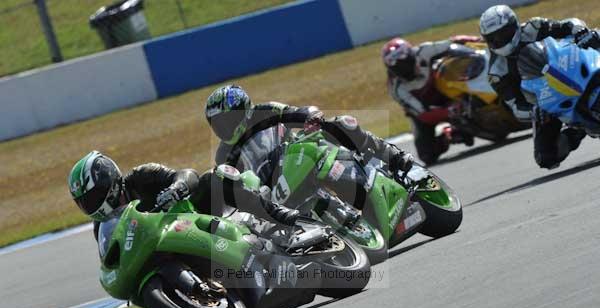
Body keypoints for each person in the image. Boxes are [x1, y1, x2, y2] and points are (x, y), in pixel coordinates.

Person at [204, 84, 414, 194]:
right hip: (275, 186)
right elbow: (235, 185)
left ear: (244, 109)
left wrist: (311, 117)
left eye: (227, 119)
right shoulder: (224, 154)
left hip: (301, 153)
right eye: (217, 123)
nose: (224, 127)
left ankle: (392, 155)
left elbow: (297, 112)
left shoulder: (264, 111)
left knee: (342, 124)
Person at [67, 151, 302, 240]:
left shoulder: (140, 176)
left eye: (93, 195)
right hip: (169, 243)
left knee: (215, 177)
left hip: (198, 217)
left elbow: (187, 175)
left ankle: (279, 214)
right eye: (84, 202)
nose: (91, 204)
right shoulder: (102, 228)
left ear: (108, 181)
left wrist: (176, 188)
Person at [480, 5, 598, 169]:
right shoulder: (496, 72)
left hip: (570, 66)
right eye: (492, 39)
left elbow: (567, 25)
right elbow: (516, 107)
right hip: (548, 100)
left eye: (502, 34)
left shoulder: (533, 27)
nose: (498, 41)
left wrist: (579, 30)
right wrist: (535, 108)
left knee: (594, 36)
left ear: (514, 26)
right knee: (546, 157)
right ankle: (577, 131)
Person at [381, 35, 482, 164]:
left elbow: (452, 42)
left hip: (445, 88)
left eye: (405, 63)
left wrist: (476, 40)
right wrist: (448, 111)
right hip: (426, 109)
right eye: (398, 67)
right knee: (426, 155)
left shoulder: (424, 51)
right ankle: (448, 135)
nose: (404, 69)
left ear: (412, 55)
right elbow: (422, 114)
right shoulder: (396, 88)